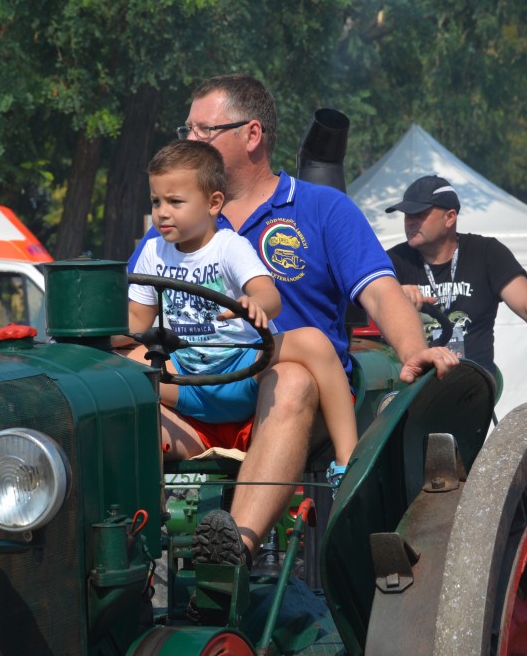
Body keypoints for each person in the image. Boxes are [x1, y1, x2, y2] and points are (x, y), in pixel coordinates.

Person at [126, 74, 456, 567]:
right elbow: (137, 322)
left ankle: (232, 553)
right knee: (119, 381)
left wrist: (413, 352)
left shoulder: (322, 208)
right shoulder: (169, 228)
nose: (187, 141)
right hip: (195, 396)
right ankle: (132, 555)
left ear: (251, 134)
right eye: (186, 129)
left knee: (295, 377)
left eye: (203, 130)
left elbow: (382, 294)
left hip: (285, 397)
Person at [127, 140, 360, 490]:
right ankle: (146, 499)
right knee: (126, 367)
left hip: (241, 371)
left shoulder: (229, 246)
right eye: (156, 201)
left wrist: (257, 305)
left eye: (175, 202)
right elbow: (136, 322)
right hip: (185, 377)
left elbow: (269, 294)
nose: (162, 212)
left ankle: (348, 460)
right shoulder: (151, 251)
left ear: (213, 203)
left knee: (313, 341)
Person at [386, 175, 527, 386]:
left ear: (450, 217)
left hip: (475, 387)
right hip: (413, 385)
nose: (410, 222)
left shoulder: (487, 254)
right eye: (407, 215)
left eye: (420, 214)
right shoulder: (391, 261)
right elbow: (365, 307)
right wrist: (394, 296)